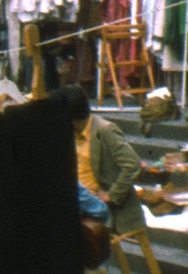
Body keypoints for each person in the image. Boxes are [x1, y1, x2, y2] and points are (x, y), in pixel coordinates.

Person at [61, 86, 148, 245]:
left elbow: (133, 164)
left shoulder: (104, 130)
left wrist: (112, 195)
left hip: (100, 207)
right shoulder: (69, 132)